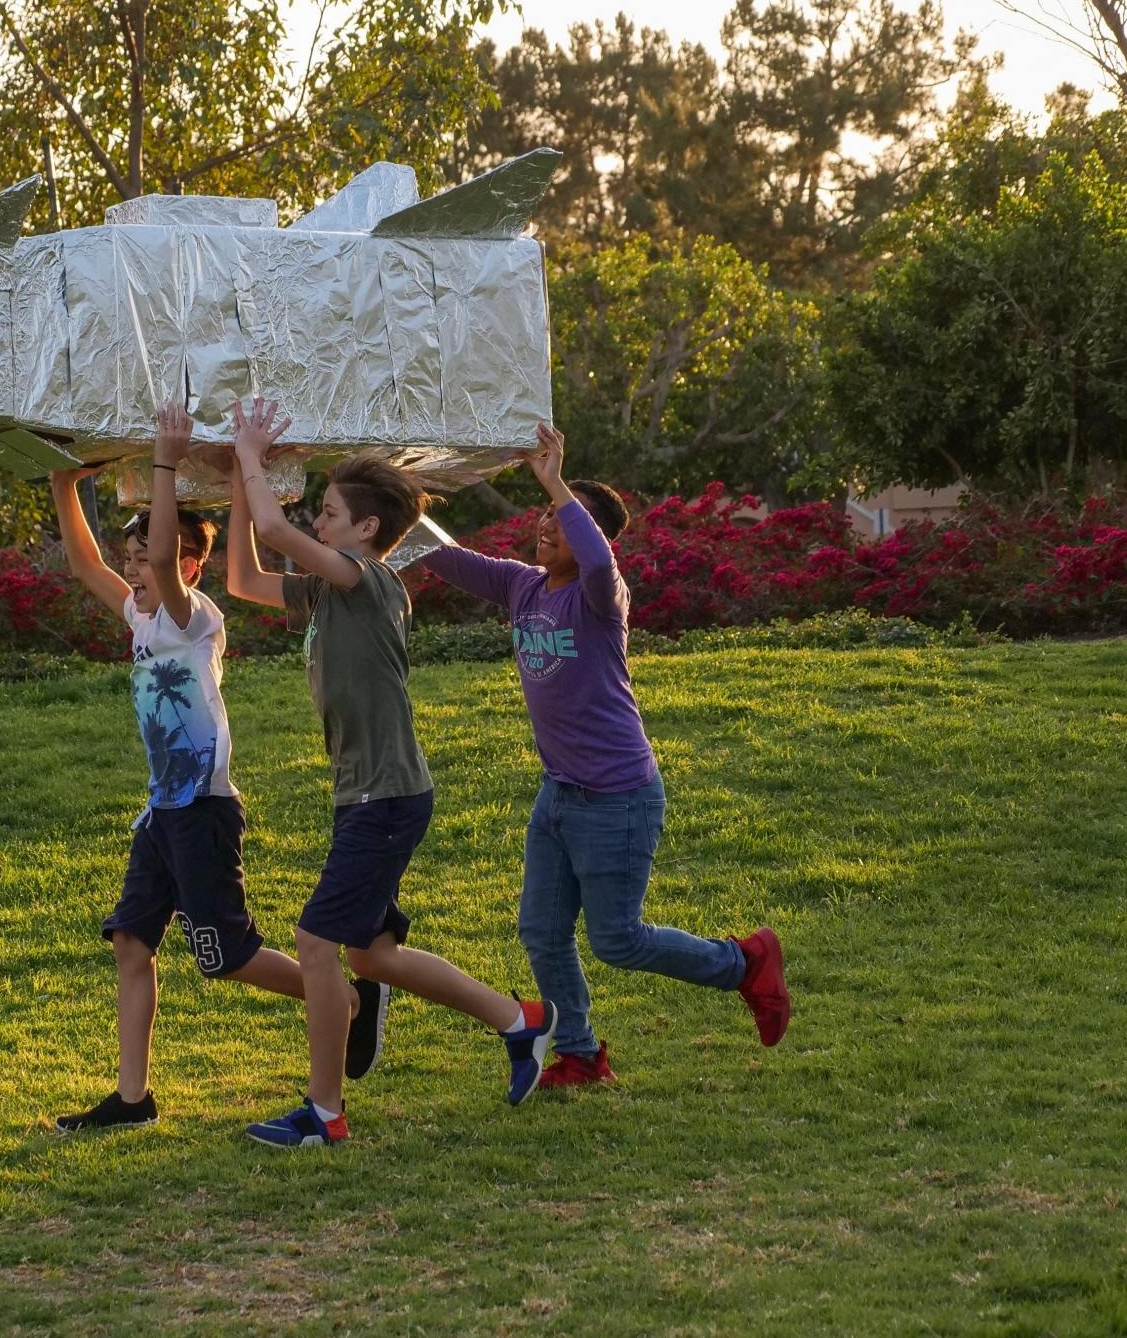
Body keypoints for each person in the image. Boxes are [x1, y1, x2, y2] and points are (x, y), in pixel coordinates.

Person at [223, 395, 555, 1148]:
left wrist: (248, 451)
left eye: (331, 512)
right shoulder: (331, 588)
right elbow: (245, 575)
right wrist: (240, 483)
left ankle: (325, 1115)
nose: (319, 522)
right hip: (371, 795)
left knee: (314, 942)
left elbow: (277, 529)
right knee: (373, 954)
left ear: (367, 530)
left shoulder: (367, 582)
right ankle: (522, 1021)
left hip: (386, 797)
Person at [418, 422, 790, 1090]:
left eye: (563, 518)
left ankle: (745, 963)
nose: (546, 526)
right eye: (544, 517)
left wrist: (556, 482)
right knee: (542, 931)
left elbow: (594, 561)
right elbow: (440, 556)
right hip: (558, 794)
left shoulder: (599, 595)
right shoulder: (522, 587)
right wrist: (397, 492)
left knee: (618, 940)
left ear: (593, 532)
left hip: (617, 797)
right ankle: (582, 1055)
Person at [44, 398, 308, 1132]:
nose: (134, 569)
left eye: (146, 559)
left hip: (204, 807)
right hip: (163, 810)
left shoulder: (193, 619)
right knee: (132, 940)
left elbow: (162, 558)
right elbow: (82, 562)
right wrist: (65, 483)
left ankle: (337, 999)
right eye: (129, 560)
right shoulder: (137, 615)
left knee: (224, 954)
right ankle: (133, 1099)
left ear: (190, 565)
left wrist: (166, 455)